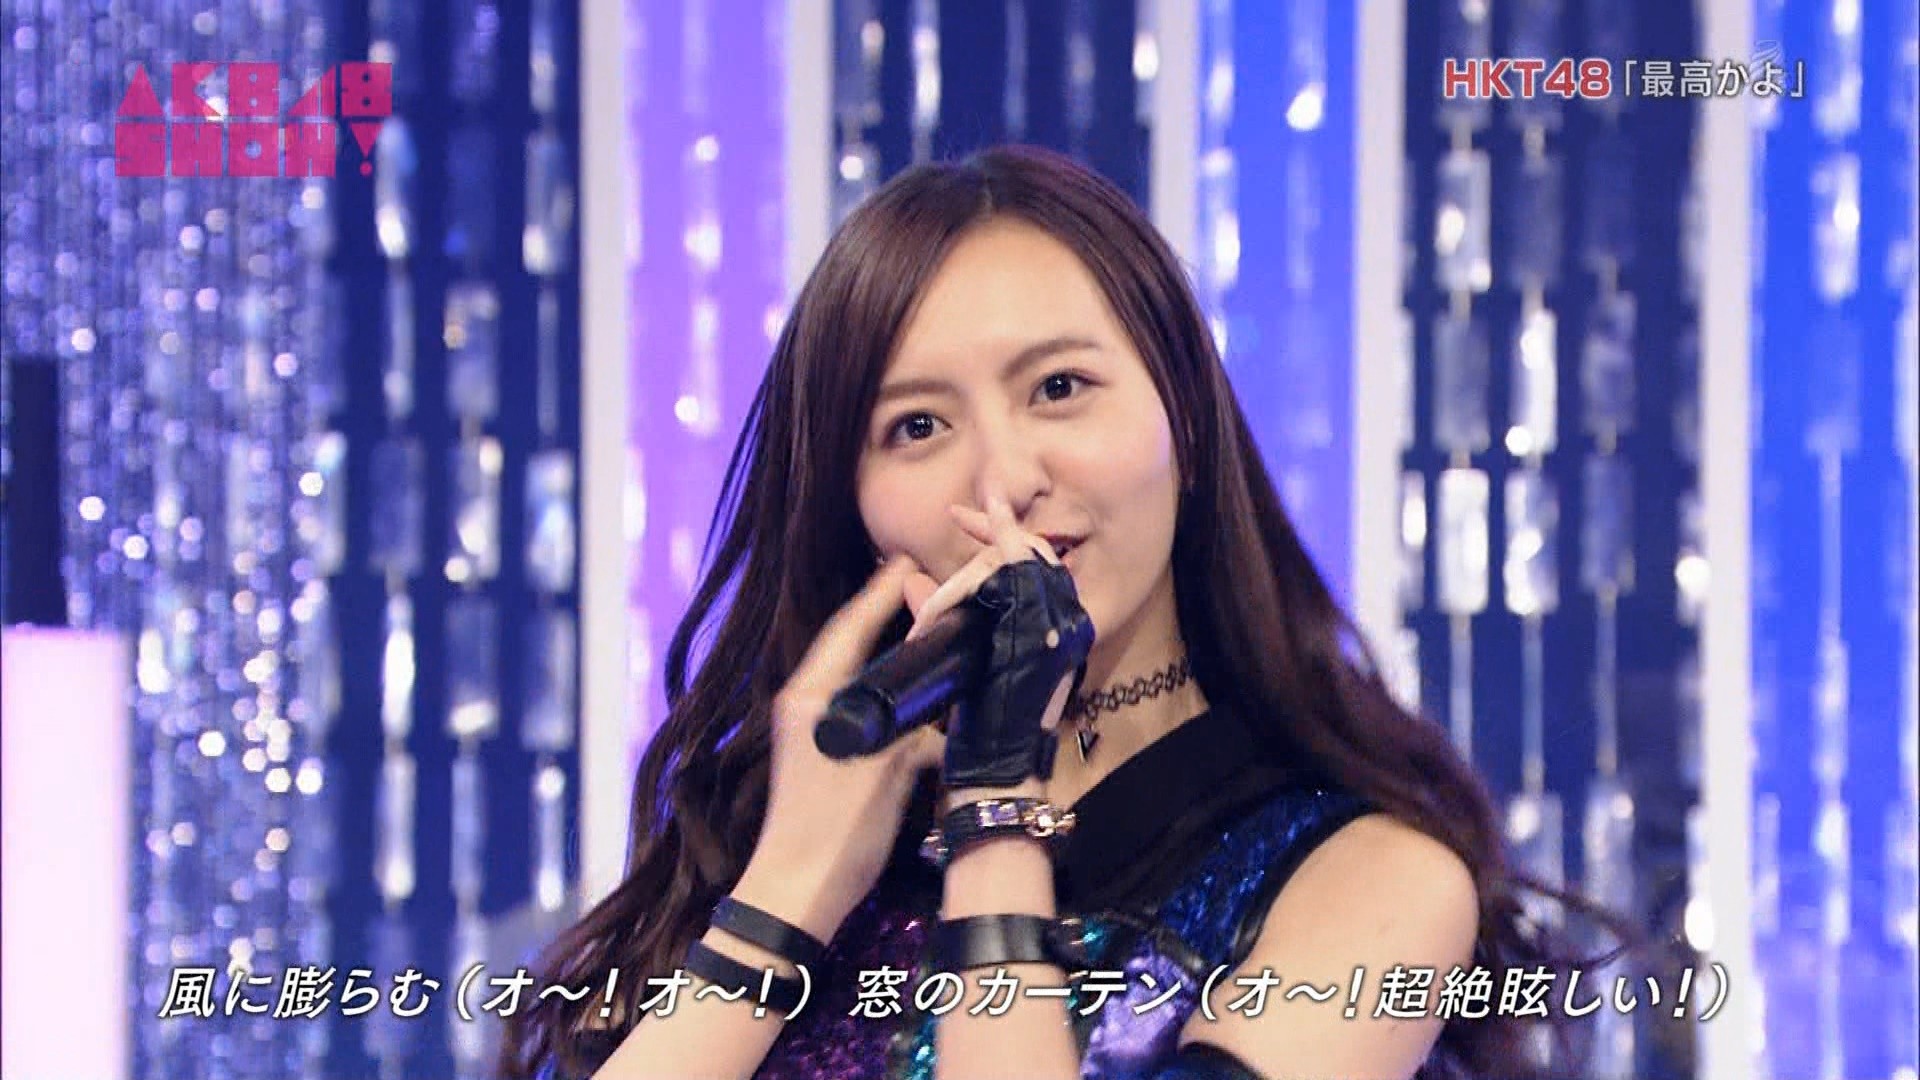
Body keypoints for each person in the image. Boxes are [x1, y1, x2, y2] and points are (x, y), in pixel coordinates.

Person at [502, 144, 1582, 1080]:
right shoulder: (786, 842)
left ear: (1184, 423)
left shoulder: (1368, 879)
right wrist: (786, 886)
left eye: (1059, 388)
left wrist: (996, 802)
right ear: (853, 508)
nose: (1005, 479)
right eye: (918, 427)